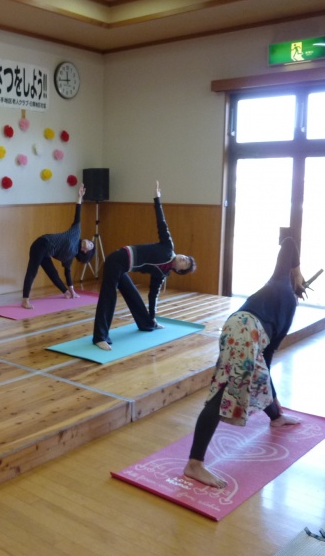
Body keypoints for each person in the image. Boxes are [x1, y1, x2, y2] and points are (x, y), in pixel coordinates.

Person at [183, 236, 305, 488]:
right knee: (222, 393)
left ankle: (276, 418)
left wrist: (275, 405)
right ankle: (194, 464)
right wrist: (298, 272)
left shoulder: (280, 288)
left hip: (237, 327)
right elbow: (289, 242)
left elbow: (264, 365)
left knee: (254, 378)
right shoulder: (284, 290)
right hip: (245, 332)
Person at [92, 181, 195, 350]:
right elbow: (161, 223)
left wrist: (153, 317)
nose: (184, 258)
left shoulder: (162, 274)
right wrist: (157, 199)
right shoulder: (168, 246)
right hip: (116, 259)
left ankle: (147, 323)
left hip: (123, 267)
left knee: (133, 295)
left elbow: (153, 295)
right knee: (108, 297)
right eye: (186, 257)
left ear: (178, 270)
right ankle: (100, 337)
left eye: (185, 263)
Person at [21, 183, 94, 309]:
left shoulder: (70, 257)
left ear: (86, 251)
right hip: (41, 243)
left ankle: (65, 292)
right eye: (90, 241)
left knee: (53, 273)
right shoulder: (76, 232)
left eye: (91, 245)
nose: (89, 241)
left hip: (46, 252)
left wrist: (71, 291)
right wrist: (79, 197)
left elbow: (67, 274)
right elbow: (77, 214)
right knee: (33, 270)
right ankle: (25, 300)